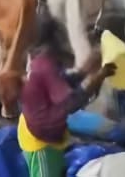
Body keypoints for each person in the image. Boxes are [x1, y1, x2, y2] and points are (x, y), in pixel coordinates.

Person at [18, 17, 116, 177]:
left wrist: (84, 71)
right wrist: (98, 77)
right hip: (40, 141)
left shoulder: (40, 59)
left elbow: (60, 83)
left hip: (45, 129)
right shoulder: (46, 65)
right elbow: (71, 104)